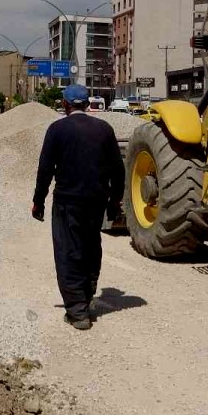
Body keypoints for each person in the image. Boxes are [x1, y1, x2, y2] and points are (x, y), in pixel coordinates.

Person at [31, 84, 124, 330]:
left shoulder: (57, 130)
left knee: (68, 252)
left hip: (67, 202)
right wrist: (115, 201)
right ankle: (87, 293)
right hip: (96, 201)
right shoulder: (104, 129)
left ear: (65, 104)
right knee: (91, 247)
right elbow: (118, 169)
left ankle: (78, 311)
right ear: (87, 104)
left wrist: (38, 201)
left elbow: (45, 169)